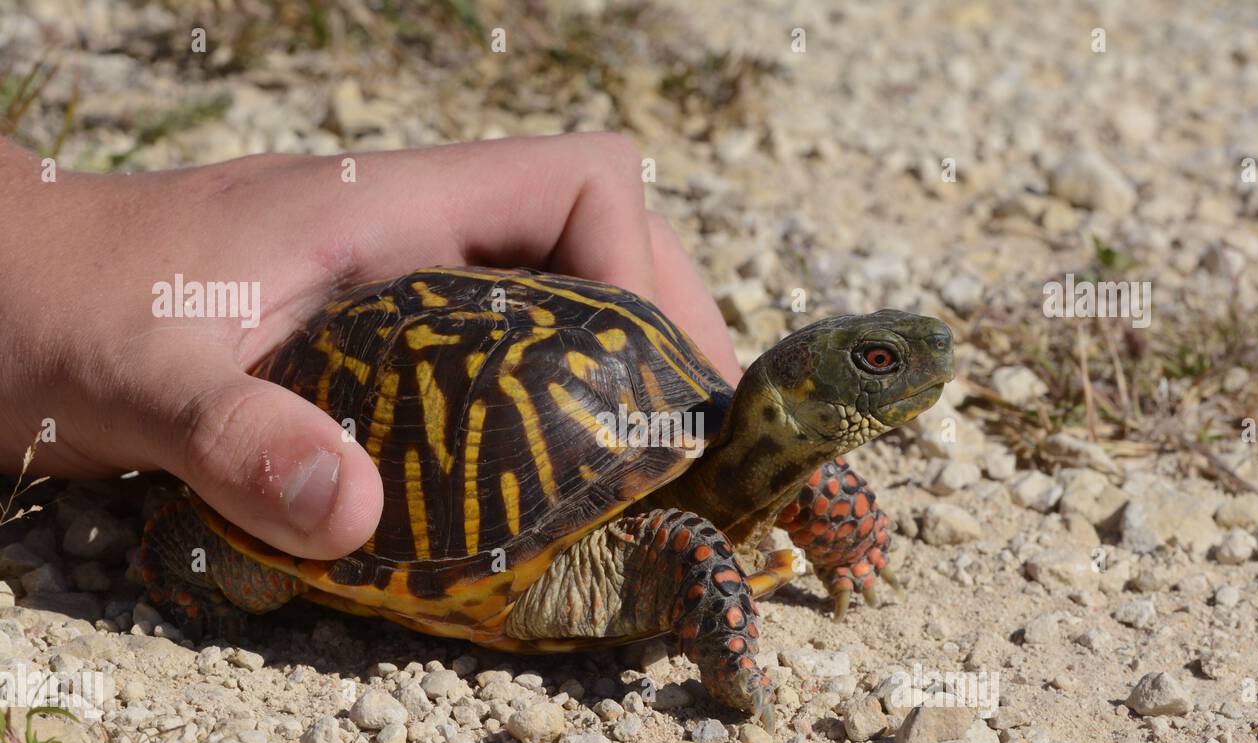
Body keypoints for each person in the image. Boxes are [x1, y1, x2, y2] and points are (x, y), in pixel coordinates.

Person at [0, 132, 742, 561]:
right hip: (472, 540)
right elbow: (687, 551)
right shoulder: (664, 541)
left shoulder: (714, 444)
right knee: (229, 573)